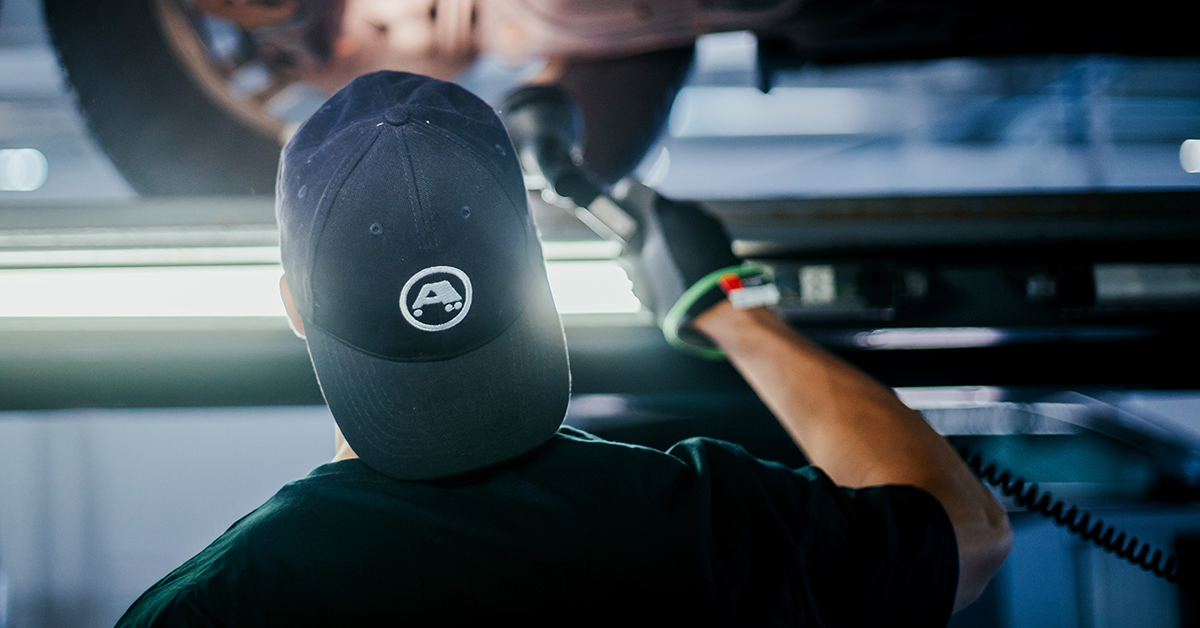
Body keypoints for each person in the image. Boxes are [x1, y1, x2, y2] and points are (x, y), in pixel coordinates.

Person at [115, 71, 1010, 626]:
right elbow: (968, 534)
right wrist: (728, 311)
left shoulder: (215, 610)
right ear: (537, 278)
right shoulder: (704, 528)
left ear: (296, 310)